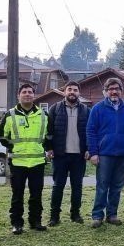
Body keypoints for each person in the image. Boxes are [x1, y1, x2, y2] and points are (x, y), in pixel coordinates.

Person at [86, 77, 124, 228]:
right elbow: (90, 131)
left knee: (117, 186)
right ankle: (97, 215)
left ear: (121, 91)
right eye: (110, 89)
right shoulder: (97, 108)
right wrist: (93, 153)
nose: (114, 91)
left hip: (123, 154)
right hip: (104, 154)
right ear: (106, 91)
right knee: (102, 185)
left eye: (117, 89)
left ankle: (112, 214)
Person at [0, 83, 48, 234]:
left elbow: (49, 136)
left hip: (37, 162)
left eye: (30, 92)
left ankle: (35, 221)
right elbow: (2, 136)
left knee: (36, 194)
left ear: (34, 95)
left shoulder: (43, 115)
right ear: (18, 95)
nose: (27, 94)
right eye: (24, 92)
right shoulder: (10, 115)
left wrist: (44, 148)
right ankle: (17, 223)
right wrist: (13, 147)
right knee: (17, 194)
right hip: (17, 162)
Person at [44, 81, 89, 226]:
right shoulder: (54, 109)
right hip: (60, 155)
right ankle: (54, 216)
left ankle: (75, 214)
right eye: (69, 89)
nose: (72, 92)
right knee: (58, 186)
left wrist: (89, 149)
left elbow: (90, 132)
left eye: (75, 90)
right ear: (64, 92)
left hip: (79, 156)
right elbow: (48, 132)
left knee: (77, 186)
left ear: (79, 93)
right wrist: (49, 148)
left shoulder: (86, 110)